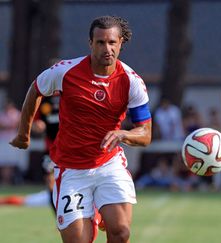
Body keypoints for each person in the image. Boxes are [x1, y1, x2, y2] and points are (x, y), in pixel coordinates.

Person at [10, 16, 152, 243]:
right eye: (100, 42)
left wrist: (123, 134)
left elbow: (145, 134)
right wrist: (23, 133)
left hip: (109, 164)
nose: (107, 48)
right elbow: (36, 89)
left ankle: (99, 209)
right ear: (90, 43)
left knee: (121, 232)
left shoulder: (131, 81)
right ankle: (94, 213)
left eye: (112, 42)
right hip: (71, 170)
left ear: (121, 43)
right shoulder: (65, 72)